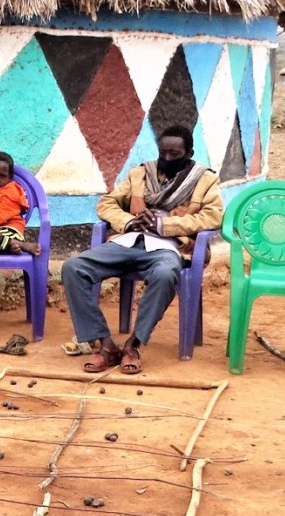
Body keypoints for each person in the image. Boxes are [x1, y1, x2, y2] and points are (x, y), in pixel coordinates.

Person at [61, 125, 223, 375]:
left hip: (166, 246)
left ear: (189, 153)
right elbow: (107, 203)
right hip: (128, 241)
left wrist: (164, 224)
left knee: (165, 273)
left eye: (175, 154)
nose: (167, 159)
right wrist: (127, 221)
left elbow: (212, 217)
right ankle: (104, 344)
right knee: (73, 267)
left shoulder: (205, 180)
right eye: (163, 153)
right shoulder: (140, 174)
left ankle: (133, 345)